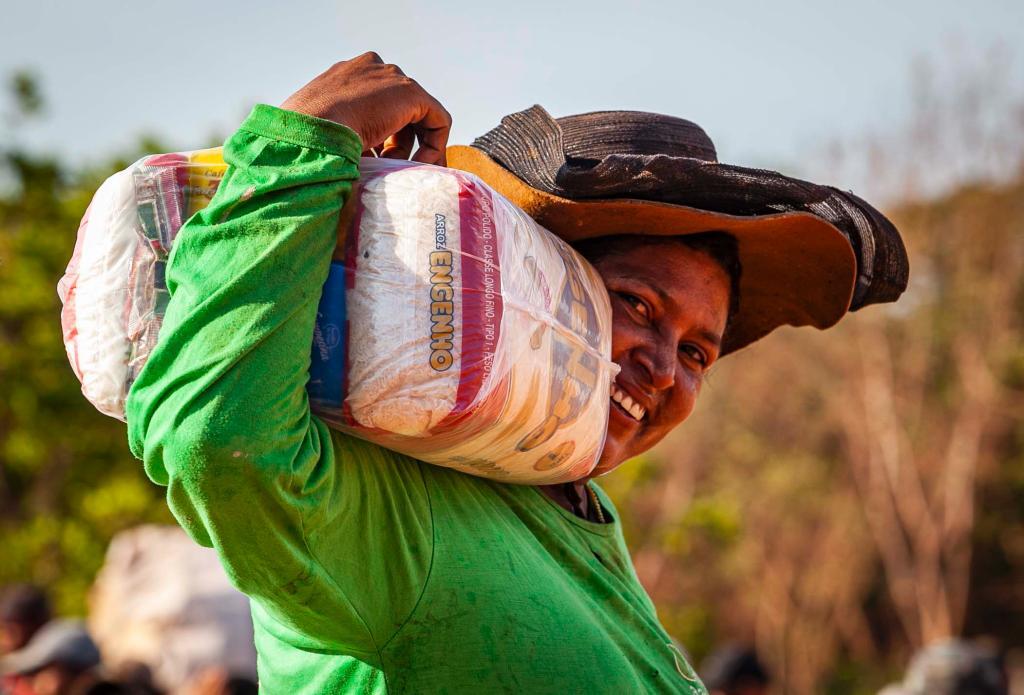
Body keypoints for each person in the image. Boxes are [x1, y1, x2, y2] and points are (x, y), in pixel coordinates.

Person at [124, 53, 908, 693]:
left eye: (698, 350)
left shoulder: (577, 516)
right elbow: (217, 439)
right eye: (635, 303)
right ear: (525, 285)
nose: (665, 367)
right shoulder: (391, 512)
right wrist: (304, 141)